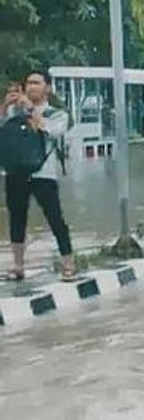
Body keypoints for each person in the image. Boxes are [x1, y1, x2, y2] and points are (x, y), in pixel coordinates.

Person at [4, 70, 74, 281]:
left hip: (43, 173)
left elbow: (50, 131)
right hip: (16, 172)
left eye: (36, 82)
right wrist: (6, 106)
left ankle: (68, 262)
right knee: (16, 218)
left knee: (55, 218)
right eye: (28, 83)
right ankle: (18, 265)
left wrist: (30, 109)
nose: (31, 86)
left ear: (48, 88)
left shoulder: (57, 114)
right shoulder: (13, 112)